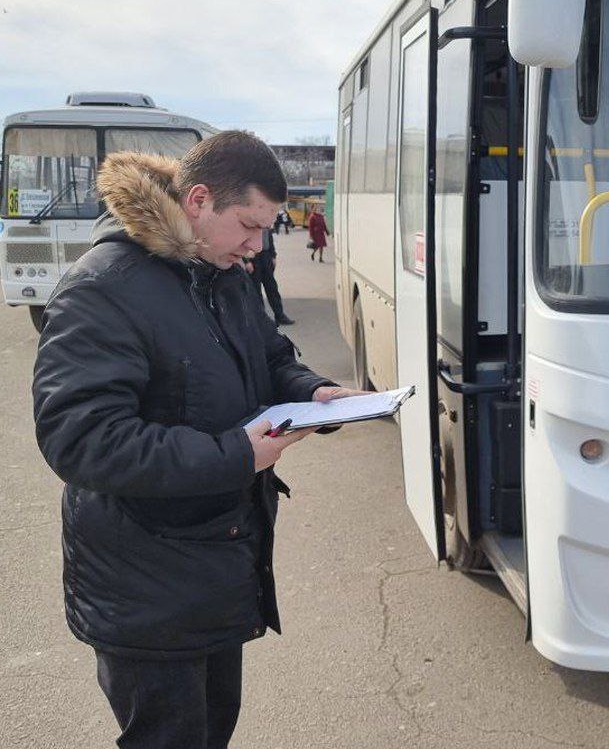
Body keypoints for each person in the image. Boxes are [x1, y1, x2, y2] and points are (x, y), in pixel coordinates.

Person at [32, 130, 370, 749]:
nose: (258, 244)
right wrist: (235, 456)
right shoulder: (103, 287)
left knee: (212, 729)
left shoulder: (220, 271)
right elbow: (79, 438)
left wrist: (314, 390)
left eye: (267, 229)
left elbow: (269, 354)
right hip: (144, 584)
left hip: (216, 566)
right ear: (197, 200)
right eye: (248, 224)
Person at [249, 226, 294, 326]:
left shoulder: (265, 219)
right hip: (253, 258)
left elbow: (269, 237)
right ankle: (261, 320)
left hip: (266, 256)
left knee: (272, 287)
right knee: (256, 291)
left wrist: (273, 255)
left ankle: (280, 315)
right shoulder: (249, 219)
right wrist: (246, 261)